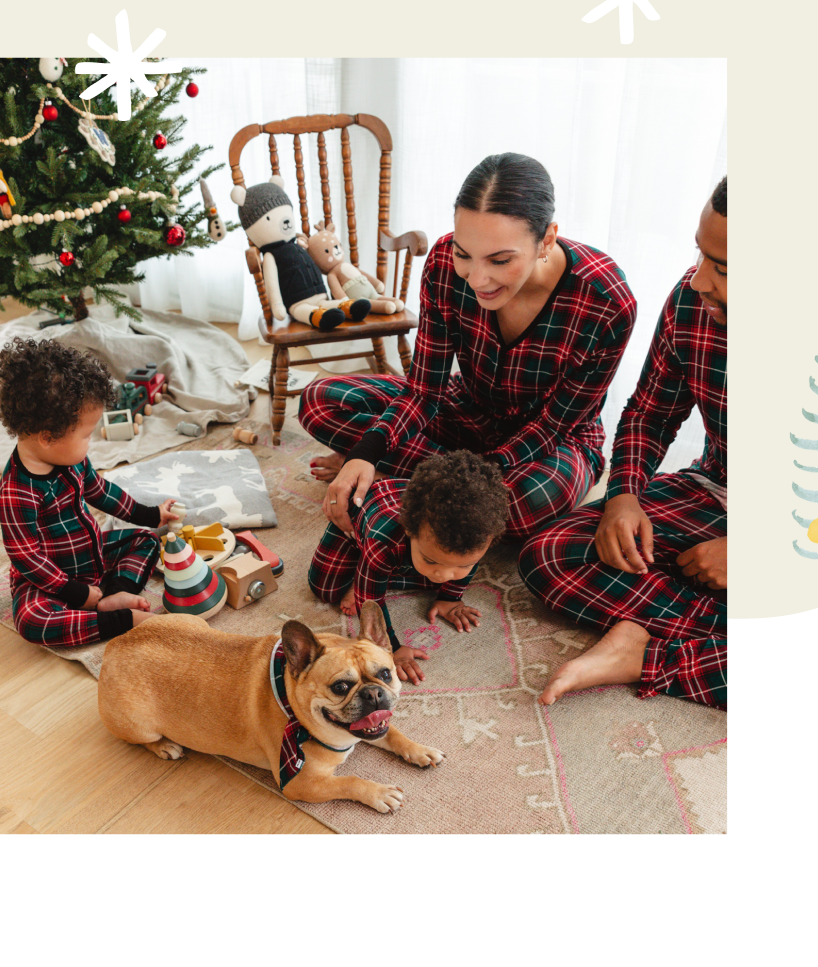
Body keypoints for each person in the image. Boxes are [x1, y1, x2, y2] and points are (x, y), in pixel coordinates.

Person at [301, 153, 635, 543]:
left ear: (546, 239)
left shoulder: (607, 302)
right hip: (466, 411)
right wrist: (366, 453)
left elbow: (553, 425)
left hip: (551, 440)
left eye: (499, 260)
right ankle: (413, 477)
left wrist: (474, 478)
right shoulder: (443, 263)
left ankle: (417, 480)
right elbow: (425, 391)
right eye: (465, 254)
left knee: (522, 511)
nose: (478, 279)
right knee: (319, 401)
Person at [519, 178, 728, 710]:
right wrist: (623, 496)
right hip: (718, 493)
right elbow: (650, 414)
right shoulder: (690, 300)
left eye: (723, 268)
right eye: (701, 255)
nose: (699, 279)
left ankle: (650, 651)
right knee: (551, 553)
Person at [0, 338, 182, 648]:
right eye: (86, 435)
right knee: (32, 622)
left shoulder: (71, 458)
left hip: (93, 559)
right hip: (52, 582)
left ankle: (113, 596)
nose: (90, 443)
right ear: (48, 438)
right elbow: (27, 558)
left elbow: (100, 491)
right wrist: (75, 593)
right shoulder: (16, 492)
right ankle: (120, 620)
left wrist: (149, 514)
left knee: (146, 539)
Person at [305, 451, 509, 683]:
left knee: (431, 570)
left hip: (401, 541)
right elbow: (371, 605)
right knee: (324, 590)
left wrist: (450, 597)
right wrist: (390, 649)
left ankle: (375, 573)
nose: (442, 575)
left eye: (463, 565)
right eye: (431, 560)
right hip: (353, 529)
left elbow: (454, 566)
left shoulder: (475, 533)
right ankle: (365, 574)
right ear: (410, 531)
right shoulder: (383, 542)